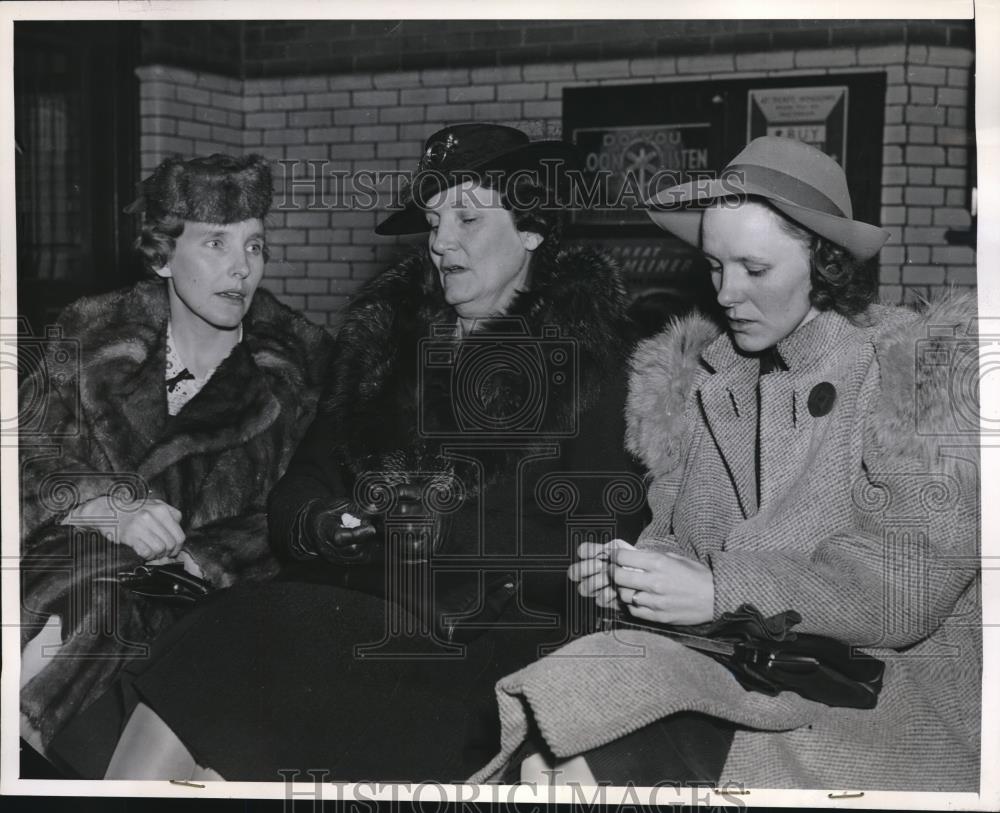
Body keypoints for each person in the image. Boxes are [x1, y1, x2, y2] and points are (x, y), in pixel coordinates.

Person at [63, 123, 650, 781]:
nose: (441, 241)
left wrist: (429, 529)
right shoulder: (383, 346)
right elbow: (300, 487)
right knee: (200, 670)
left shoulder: (596, 363)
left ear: (532, 229)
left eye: (468, 217)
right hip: (340, 611)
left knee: (242, 639)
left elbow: (596, 538)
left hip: (469, 653)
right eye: (433, 220)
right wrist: (322, 524)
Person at [471, 136, 981, 791]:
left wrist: (717, 588)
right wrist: (638, 574)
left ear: (825, 260)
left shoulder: (916, 376)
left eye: (754, 269)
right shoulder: (707, 383)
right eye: (714, 267)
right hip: (745, 666)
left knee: (587, 764)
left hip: (877, 695)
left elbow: (903, 588)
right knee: (544, 753)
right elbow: (674, 532)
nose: (727, 293)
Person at [20, 153, 333, 753]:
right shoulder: (90, 335)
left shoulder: (303, 370)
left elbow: (299, 513)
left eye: (254, 246)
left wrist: (197, 560)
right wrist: (102, 503)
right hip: (46, 591)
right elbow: (18, 454)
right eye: (216, 244)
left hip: (188, 633)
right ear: (163, 255)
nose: (241, 269)